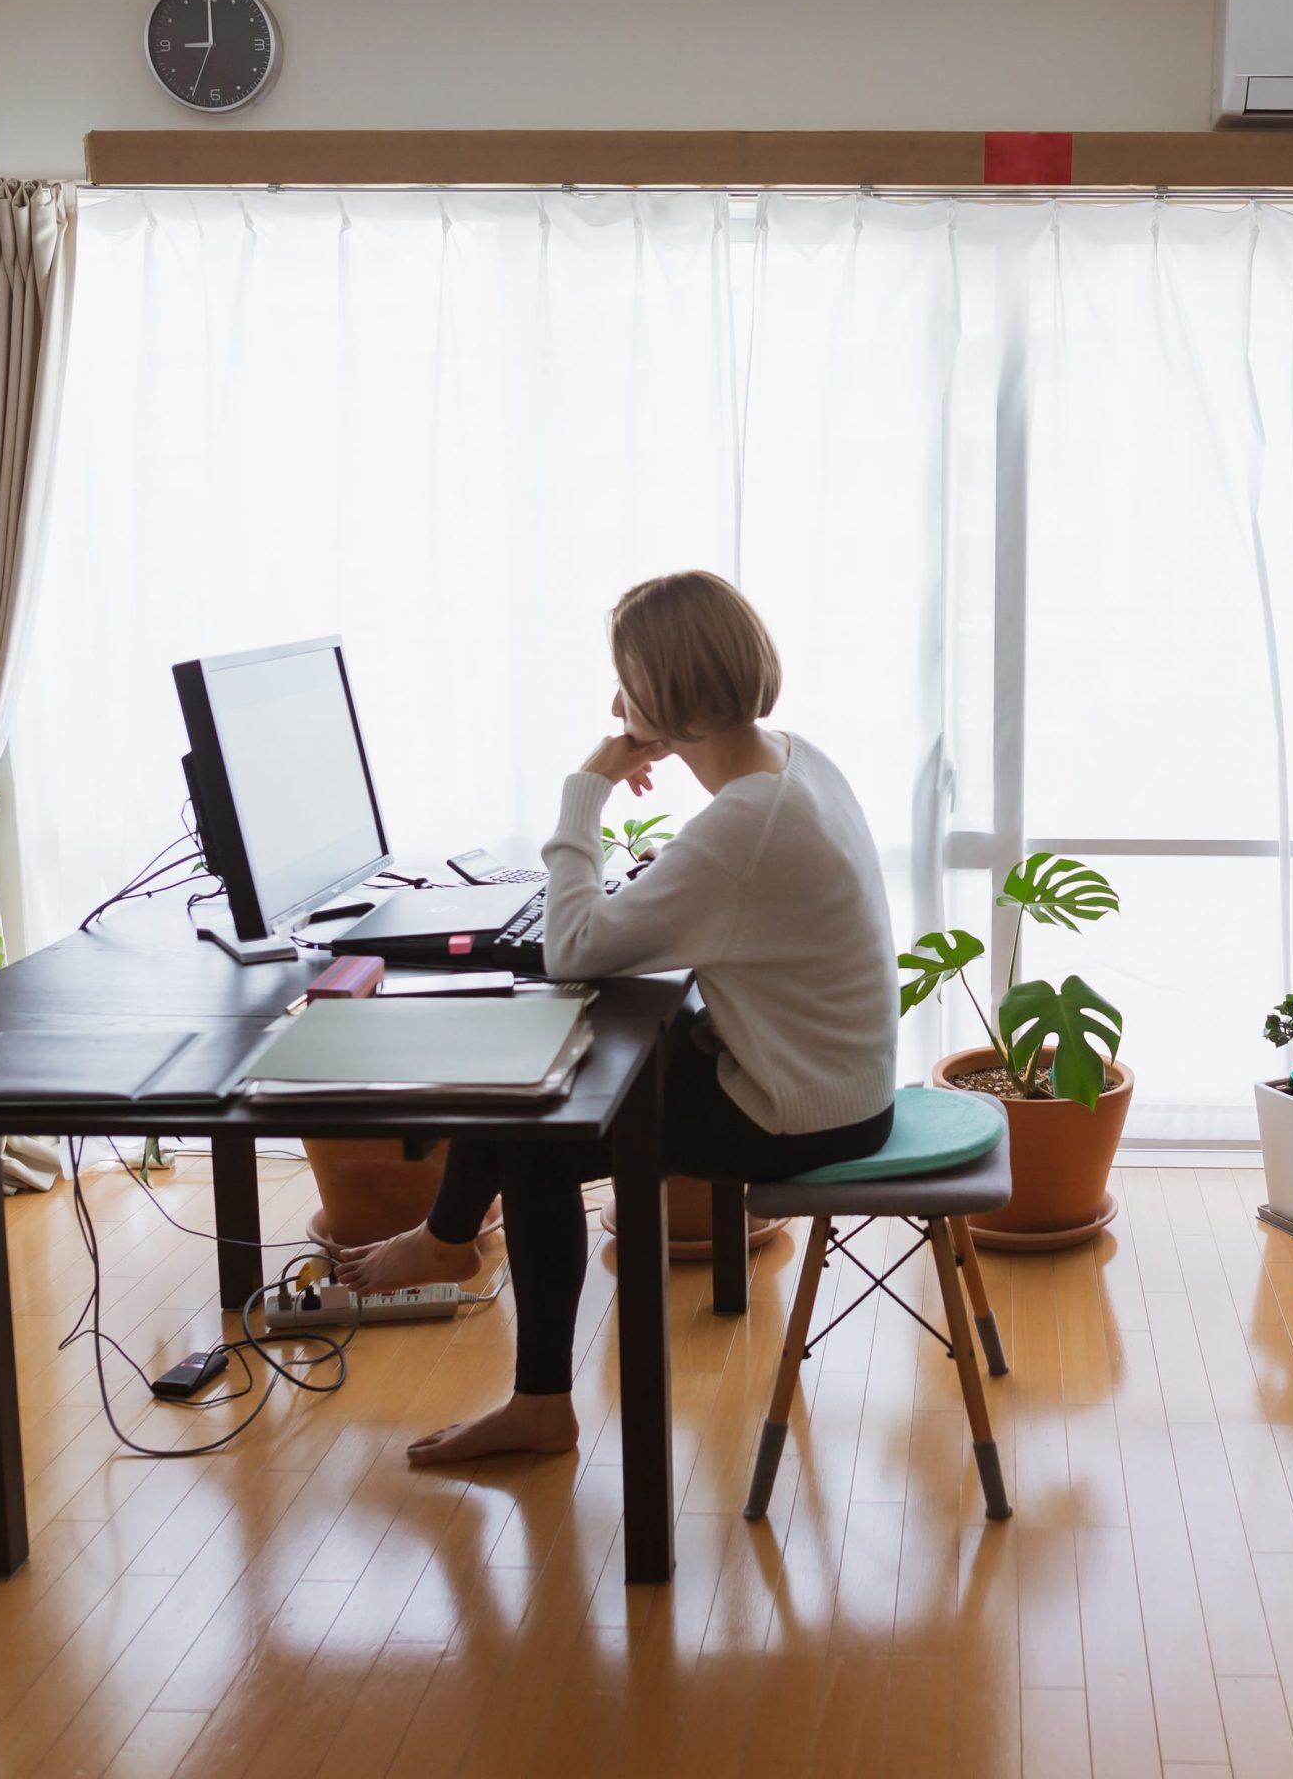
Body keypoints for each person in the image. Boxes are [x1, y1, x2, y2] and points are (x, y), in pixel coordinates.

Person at [337, 571, 899, 1464]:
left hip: (802, 1113)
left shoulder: (742, 828)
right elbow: (699, 908)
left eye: (627, 683)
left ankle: (531, 1393)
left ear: (668, 699)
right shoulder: (792, 757)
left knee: (537, 1130)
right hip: (830, 1077)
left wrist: (585, 793)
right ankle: (448, 1242)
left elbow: (571, 947)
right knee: (538, 1066)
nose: (613, 702)